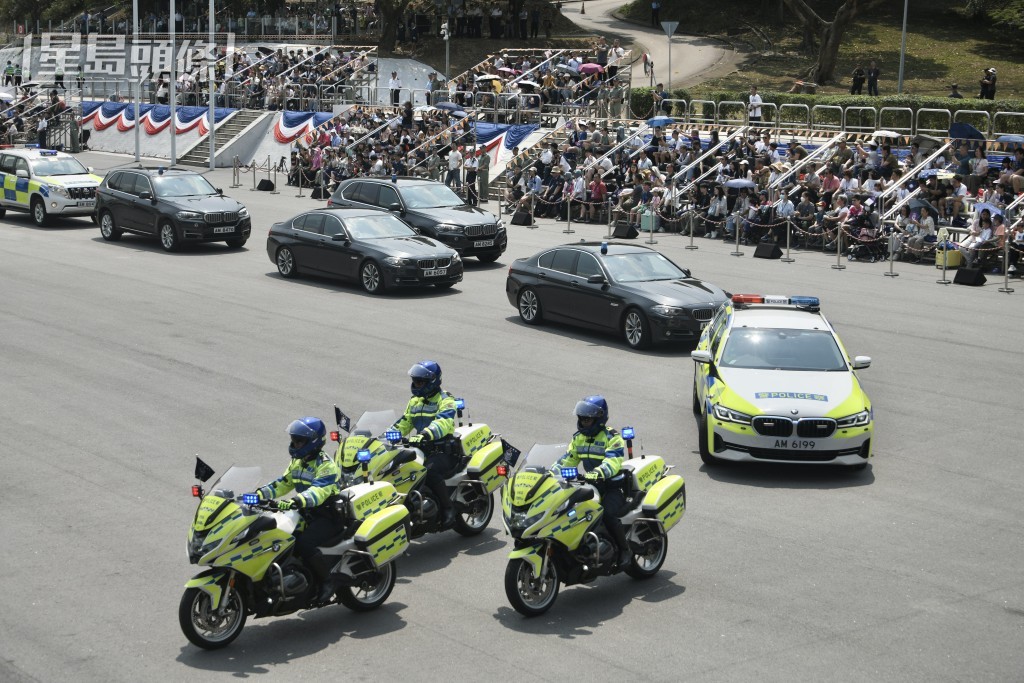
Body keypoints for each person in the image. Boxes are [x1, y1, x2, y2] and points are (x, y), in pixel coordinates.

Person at [252, 417, 342, 604]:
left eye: (299, 441)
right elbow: (283, 483)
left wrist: (295, 501)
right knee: (279, 537)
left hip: (328, 514)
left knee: (304, 543)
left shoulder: (326, 465)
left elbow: (318, 491)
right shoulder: (298, 462)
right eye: (293, 440)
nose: (294, 444)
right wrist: (259, 494)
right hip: (306, 512)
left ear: (313, 442)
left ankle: (328, 581)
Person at [552, 396, 631, 568]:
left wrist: (598, 473)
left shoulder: (612, 437)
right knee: (572, 511)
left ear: (598, 419)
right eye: (581, 418)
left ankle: (625, 551)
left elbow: (613, 461)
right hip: (591, 485)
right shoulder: (578, 438)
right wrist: (550, 473)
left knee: (608, 515)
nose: (583, 422)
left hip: (612, 487)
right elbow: (567, 460)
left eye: (586, 419)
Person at [391, 361, 458, 527]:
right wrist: (387, 435)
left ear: (432, 382)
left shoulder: (446, 399)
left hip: (442, 450)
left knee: (429, 472)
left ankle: (448, 509)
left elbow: (443, 421)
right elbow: (405, 422)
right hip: (421, 448)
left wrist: (426, 434)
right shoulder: (415, 401)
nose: (416, 384)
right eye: (414, 381)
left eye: (420, 382)